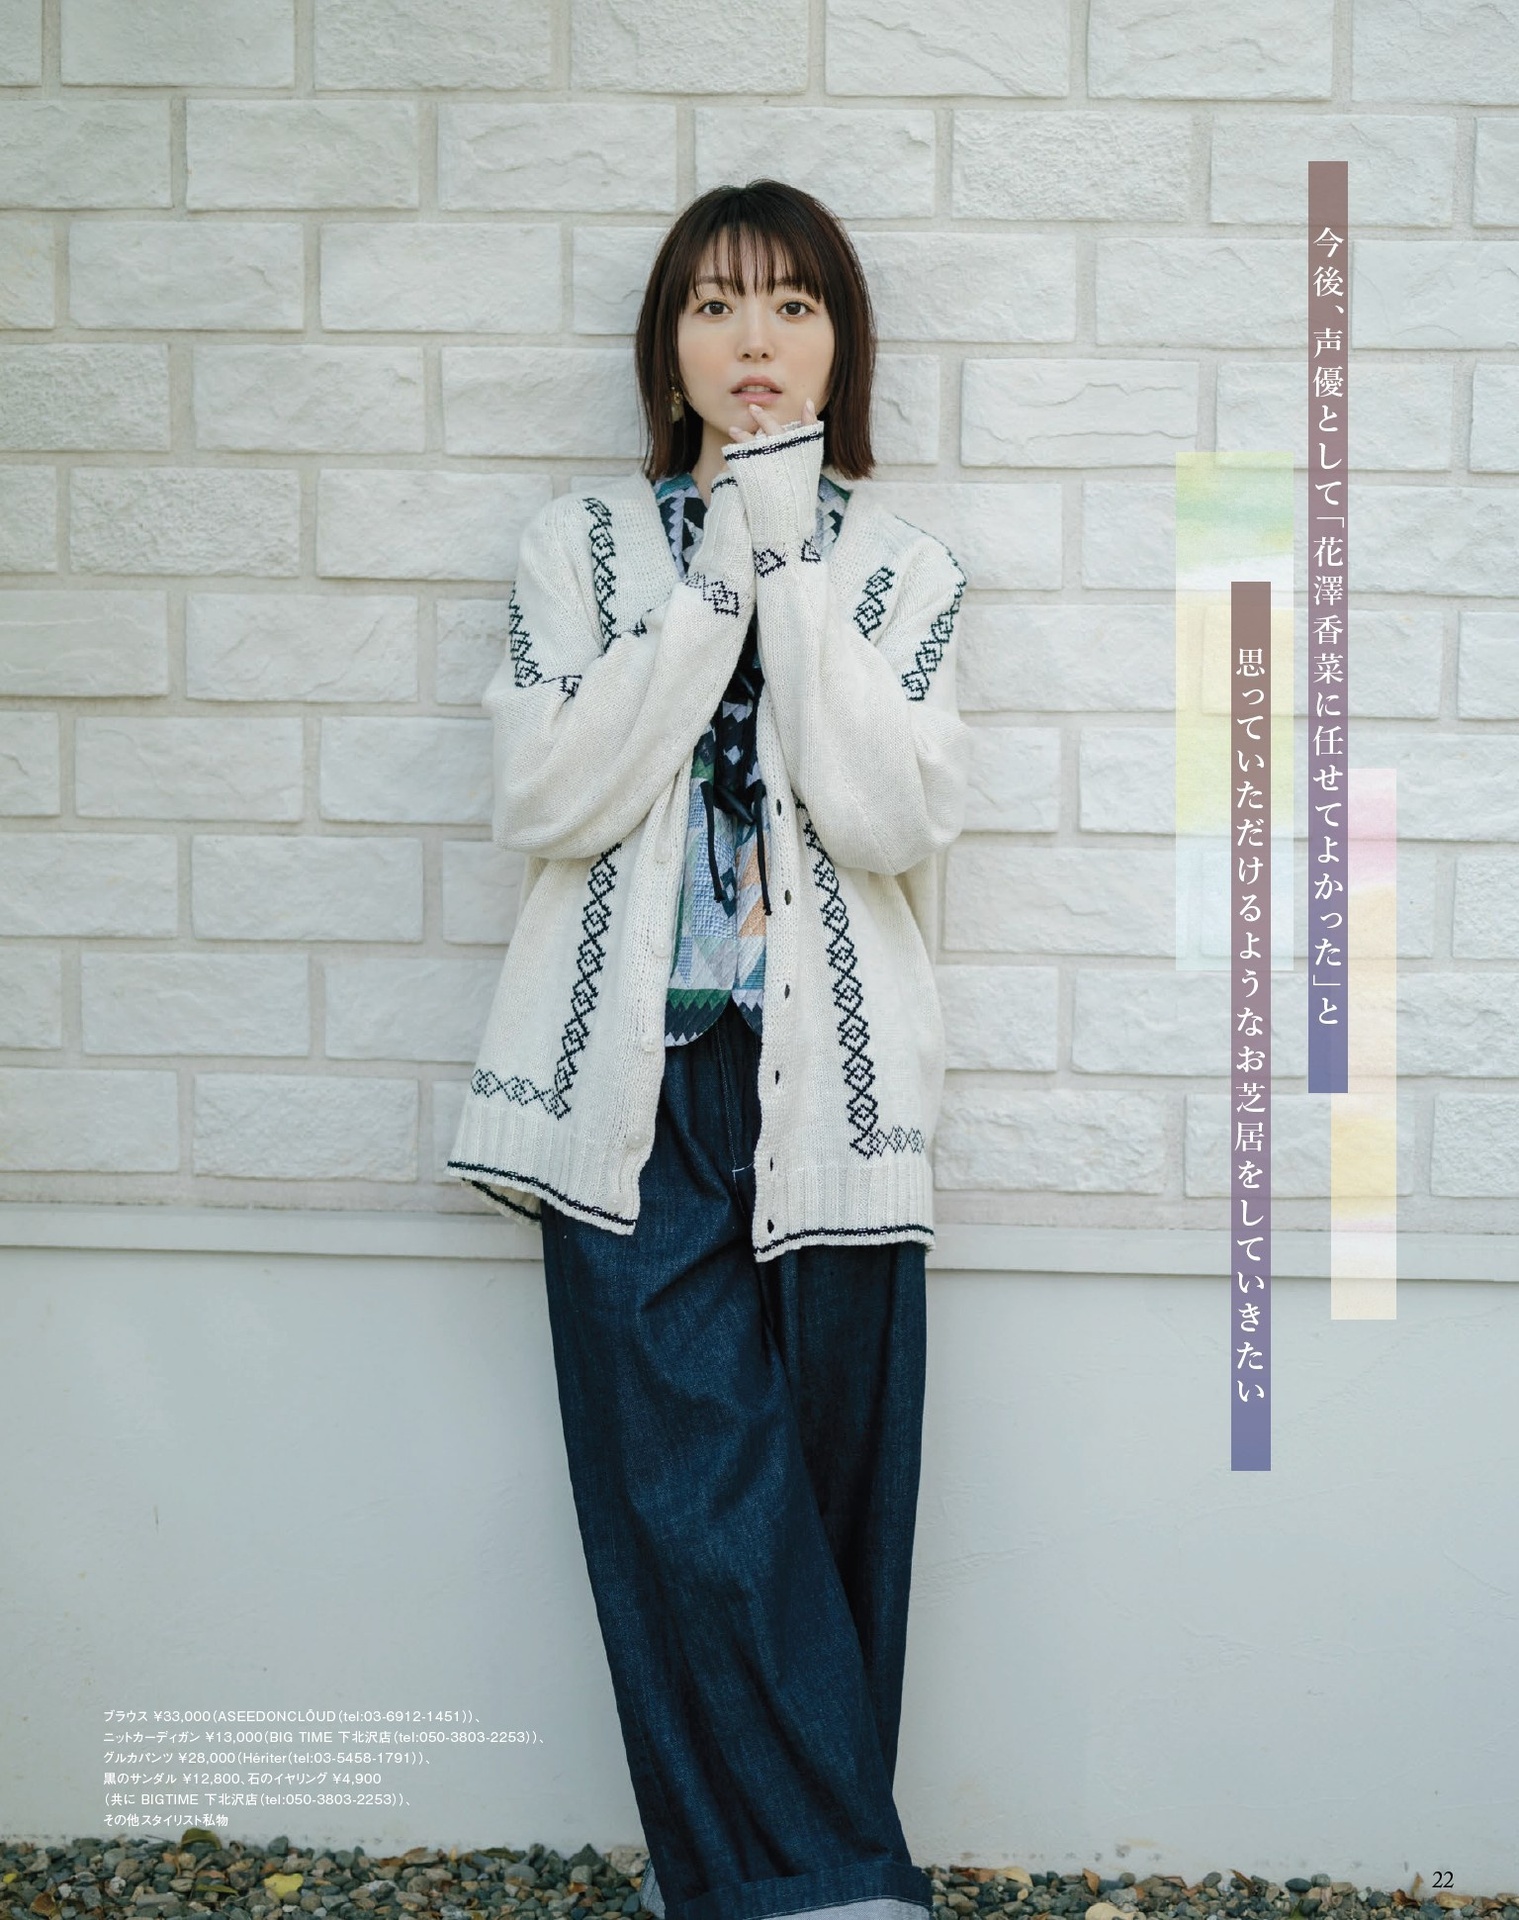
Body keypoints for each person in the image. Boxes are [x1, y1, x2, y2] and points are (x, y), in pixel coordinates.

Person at [448, 180, 972, 1920]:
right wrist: (718, 575)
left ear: (842, 344)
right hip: (629, 1087)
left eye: (795, 306)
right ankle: (843, 1887)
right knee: (687, 1492)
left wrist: (794, 567)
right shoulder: (579, 550)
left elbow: (887, 816)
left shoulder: (905, 571)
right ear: (667, 344)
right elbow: (550, 793)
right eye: (718, 304)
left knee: (825, 1498)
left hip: (834, 1100)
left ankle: (768, 1891)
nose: (757, 340)